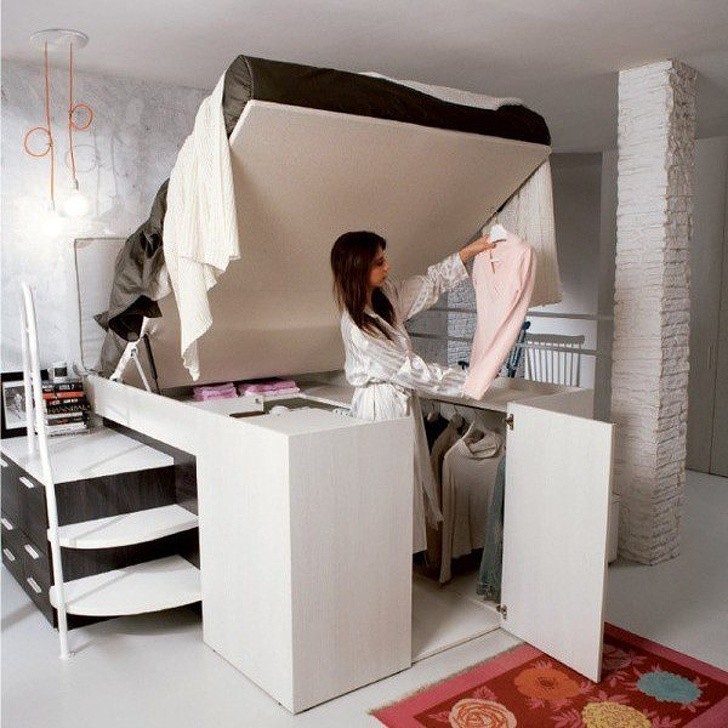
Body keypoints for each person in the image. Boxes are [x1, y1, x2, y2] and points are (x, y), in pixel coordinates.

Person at [330, 230, 494, 552]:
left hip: (399, 401)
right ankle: (382, 561)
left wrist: (471, 250)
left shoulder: (385, 297)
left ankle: (399, 561)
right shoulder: (358, 327)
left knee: (405, 485)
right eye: (379, 262)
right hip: (380, 409)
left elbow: (431, 283)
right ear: (357, 269)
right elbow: (410, 370)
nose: (387, 266)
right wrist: (469, 382)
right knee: (385, 491)